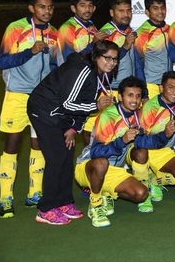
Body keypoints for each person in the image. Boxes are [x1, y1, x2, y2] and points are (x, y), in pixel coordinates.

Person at [27, 40, 119, 225]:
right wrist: (96, 105)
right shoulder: (81, 70)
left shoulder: (98, 73)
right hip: (44, 111)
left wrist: (74, 128)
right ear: (96, 56)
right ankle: (46, 209)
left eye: (115, 59)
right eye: (107, 58)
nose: (111, 63)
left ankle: (64, 201)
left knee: (67, 156)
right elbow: (68, 103)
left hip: (62, 115)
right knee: (56, 157)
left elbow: (83, 101)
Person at [75, 76, 174, 227]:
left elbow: (144, 142)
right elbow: (96, 153)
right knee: (101, 163)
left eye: (138, 96)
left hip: (114, 170)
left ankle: (106, 192)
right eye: (130, 95)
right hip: (89, 168)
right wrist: (122, 140)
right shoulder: (108, 116)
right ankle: (95, 204)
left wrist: (164, 135)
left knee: (141, 193)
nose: (135, 100)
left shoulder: (137, 116)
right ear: (120, 96)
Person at [0, 0, 57, 218]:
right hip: (18, 94)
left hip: (42, 98)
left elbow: (54, 66)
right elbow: (2, 62)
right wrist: (29, 52)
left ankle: (35, 193)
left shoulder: (54, 33)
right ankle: (6, 198)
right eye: (42, 6)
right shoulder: (16, 28)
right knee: (12, 144)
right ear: (31, 8)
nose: (47, 11)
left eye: (50, 7)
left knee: (38, 144)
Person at [82, 0, 137, 146]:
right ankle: (89, 154)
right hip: (106, 88)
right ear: (112, 12)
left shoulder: (130, 31)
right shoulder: (106, 33)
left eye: (128, 10)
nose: (126, 14)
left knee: (120, 128)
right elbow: (104, 61)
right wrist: (125, 47)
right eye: (121, 11)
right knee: (92, 127)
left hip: (125, 89)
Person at [139, 71, 175, 203]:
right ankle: (152, 178)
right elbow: (141, 139)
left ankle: (155, 179)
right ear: (161, 88)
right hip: (155, 151)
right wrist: (164, 135)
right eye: (171, 87)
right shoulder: (150, 108)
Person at [134, 0, 172, 100]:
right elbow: (138, 65)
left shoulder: (171, 29)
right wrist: (144, 93)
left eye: (162, 8)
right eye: (155, 8)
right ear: (147, 12)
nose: (160, 12)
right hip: (151, 86)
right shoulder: (142, 33)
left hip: (169, 86)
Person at [56, 0, 107, 65]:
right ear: (73, 8)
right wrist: (93, 44)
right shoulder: (67, 28)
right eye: (82, 5)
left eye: (90, 5)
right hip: (72, 72)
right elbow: (70, 59)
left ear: (94, 8)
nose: (87, 9)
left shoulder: (92, 27)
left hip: (88, 71)